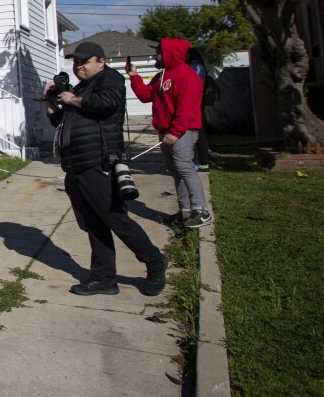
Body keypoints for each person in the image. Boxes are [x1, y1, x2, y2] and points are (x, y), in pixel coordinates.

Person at [44, 41, 167, 297]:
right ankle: (103, 277)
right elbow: (59, 120)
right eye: (76, 62)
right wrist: (50, 100)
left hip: (98, 163)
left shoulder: (109, 79)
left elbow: (105, 104)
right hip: (76, 164)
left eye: (84, 62)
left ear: (100, 61)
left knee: (116, 220)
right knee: (93, 224)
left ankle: (155, 262)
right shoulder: (80, 87)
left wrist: (72, 99)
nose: (78, 66)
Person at [129, 38, 210, 229]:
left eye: (158, 52)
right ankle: (185, 212)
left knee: (184, 167)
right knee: (176, 170)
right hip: (167, 130)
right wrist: (134, 76)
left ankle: (201, 211)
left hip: (182, 131)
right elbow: (145, 95)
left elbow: (187, 108)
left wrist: (175, 132)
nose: (155, 56)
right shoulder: (162, 76)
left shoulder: (186, 76)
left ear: (170, 54)